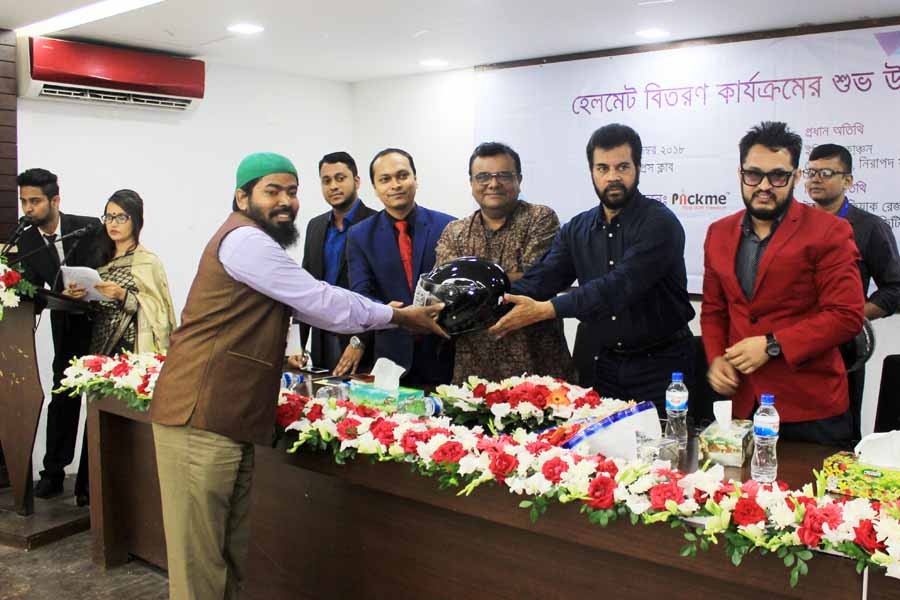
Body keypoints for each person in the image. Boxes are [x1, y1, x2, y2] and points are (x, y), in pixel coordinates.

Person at [149, 152, 447, 600]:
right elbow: (318, 300)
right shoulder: (245, 241)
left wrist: (378, 316)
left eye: (291, 191)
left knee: (226, 552)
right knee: (200, 564)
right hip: (199, 416)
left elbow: (297, 307)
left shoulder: (254, 241)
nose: (286, 201)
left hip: (226, 417)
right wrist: (397, 317)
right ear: (242, 196)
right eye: (272, 191)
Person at [489, 124, 695, 414]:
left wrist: (547, 309)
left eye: (622, 167)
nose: (612, 177)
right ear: (591, 172)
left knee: (664, 440)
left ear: (638, 167)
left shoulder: (659, 223)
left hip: (663, 366)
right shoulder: (577, 229)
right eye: (602, 168)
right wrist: (486, 300)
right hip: (605, 364)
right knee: (601, 441)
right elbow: (541, 280)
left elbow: (618, 286)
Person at [702, 122, 864, 447]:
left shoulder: (829, 231)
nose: (764, 186)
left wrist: (771, 345)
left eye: (777, 176)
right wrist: (716, 357)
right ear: (740, 174)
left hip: (809, 409)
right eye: (753, 174)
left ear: (796, 176)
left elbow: (846, 315)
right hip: (742, 403)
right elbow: (714, 310)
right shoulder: (718, 232)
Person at [62, 189, 176, 506]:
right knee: (98, 419)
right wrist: (78, 297)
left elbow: (161, 312)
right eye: (109, 216)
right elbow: (95, 308)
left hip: (132, 353)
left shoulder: (147, 262)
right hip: (101, 349)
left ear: (135, 220)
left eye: (120, 217)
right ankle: (90, 490)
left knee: (128, 423)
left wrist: (123, 296)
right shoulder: (100, 259)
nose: (113, 223)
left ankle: (130, 496)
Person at [435, 141, 573, 384]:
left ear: (519, 179)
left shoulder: (540, 219)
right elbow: (445, 292)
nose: (493, 183)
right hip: (473, 371)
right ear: (471, 183)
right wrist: (506, 278)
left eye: (504, 175)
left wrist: (471, 286)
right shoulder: (454, 231)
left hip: (538, 365)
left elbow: (538, 279)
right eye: (483, 177)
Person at [805, 143, 900, 439]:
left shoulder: (869, 228)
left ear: (848, 181)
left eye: (826, 173)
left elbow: (895, 288)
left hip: (842, 349)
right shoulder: (793, 224)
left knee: (838, 436)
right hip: (792, 346)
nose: (816, 179)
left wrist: (853, 314)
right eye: (810, 172)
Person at [16, 168, 100, 502]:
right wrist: (48, 293)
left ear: (55, 201)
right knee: (63, 395)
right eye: (24, 201)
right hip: (65, 325)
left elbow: (108, 268)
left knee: (99, 399)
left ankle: (90, 483)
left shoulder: (89, 227)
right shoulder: (26, 239)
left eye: (35, 201)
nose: (28, 208)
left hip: (100, 322)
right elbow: (30, 288)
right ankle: (53, 473)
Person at [347, 148, 456, 387]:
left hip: (443, 352)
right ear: (375, 187)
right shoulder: (360, 235)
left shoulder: (448, 226)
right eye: (385, 179)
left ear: (415, 178)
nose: (395, 185)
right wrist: (399, 317)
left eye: (402, 176)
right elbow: (361, 294)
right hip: (391, 359)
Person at [294, 152, 377, 375]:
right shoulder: (315, 226)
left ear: (356, 181)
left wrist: (359, 340)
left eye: (340, 178)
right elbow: (304, 287)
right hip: (322, 338)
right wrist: (296, 345)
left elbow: (381, 290)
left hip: (362, 343)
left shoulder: (377, 224)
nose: (333, 186)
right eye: (326, 180)